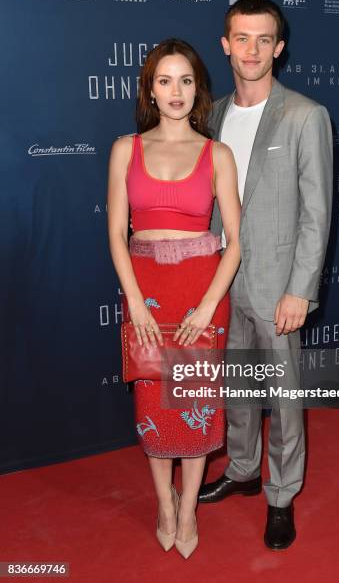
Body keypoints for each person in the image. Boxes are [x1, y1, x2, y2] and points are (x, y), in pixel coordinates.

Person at [198, 0, 333, 550]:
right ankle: (245, 469)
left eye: (263, 40)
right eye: (241, 38)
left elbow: (316, 211)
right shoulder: (210, 115)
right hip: (222, 281)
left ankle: (281, 495)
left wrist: (300, 290)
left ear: (278, 48)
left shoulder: (305, 115)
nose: (251, 50)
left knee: (281, 396)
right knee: (237, 388)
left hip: (278, 286)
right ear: (226, 45)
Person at [107, 38, 241, 559]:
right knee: (153, 406)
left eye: (186, 80)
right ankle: (164, 504)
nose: (176, 91)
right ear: (150, 89)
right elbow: (117, 235)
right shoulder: (126, 149)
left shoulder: (217, 154)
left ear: (198, 88)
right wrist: (135, 301)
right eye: (165, 80)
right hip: (146, 293)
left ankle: (188, 511)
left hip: (199, 292)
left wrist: (208, 305)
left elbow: (234, 242)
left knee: (193, 406)